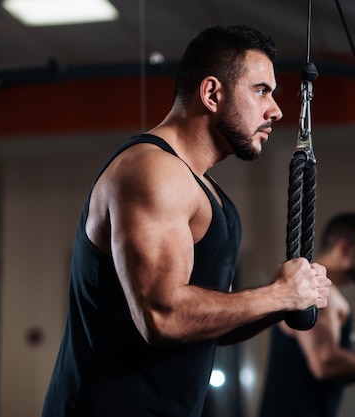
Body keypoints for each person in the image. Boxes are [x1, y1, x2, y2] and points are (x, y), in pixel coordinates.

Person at [41, 25, 331, 417]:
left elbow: (202, 323)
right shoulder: (152, 171)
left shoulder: (207, 193)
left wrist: (285, 302)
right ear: (212, 93)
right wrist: (277, 295)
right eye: (261, 90)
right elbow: (163, 316)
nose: (276, 110)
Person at [259, 212, 355, 417]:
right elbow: (324, 363)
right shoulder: (315, 293)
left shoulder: (319, 292)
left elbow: (335, 371)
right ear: (344, 249)